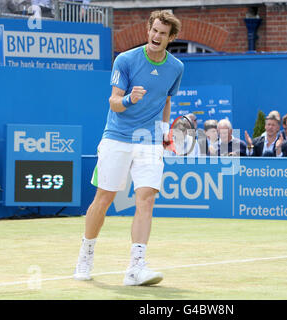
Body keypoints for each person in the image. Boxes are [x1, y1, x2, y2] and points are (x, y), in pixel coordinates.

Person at [73, 10, 184, 286]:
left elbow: (166, 101)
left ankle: (135, 267)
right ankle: (86, 254)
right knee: (104, 199)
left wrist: (164, 134)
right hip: (117, 137)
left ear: (171, 37)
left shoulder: (176, 67)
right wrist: (130, 100)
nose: (156, 36)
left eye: (163, 33)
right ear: (149, 30)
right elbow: (113, 102)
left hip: (149, 142)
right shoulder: (125, 60)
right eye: (154, 30)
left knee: (146, 199)